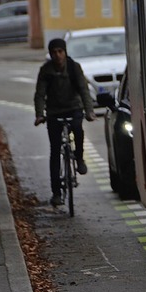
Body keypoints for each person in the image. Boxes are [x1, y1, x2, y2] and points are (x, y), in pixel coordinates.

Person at [34, 38, 96, 206]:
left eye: (60, 51)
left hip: (73, 108)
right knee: (55, 151)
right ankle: (56, 193)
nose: (57, 55)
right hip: (54, 112)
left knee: (78, 129)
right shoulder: (46, 70)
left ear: (65, 52)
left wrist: (89, 111)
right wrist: (40, 114)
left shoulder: (74, 67)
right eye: (54, 52)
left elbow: (83, 90)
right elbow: (40, 94)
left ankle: (80, 158)